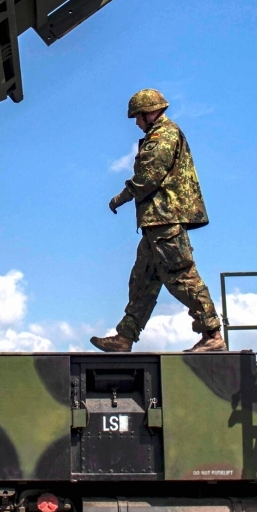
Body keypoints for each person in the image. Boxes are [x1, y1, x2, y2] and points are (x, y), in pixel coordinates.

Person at [90, 88, 226, 353]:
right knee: (143, 280)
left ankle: (212, 334)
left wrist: (121, 197)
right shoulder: (158, 134)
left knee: (182, 277)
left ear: (150, 112)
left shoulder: (163, 135)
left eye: (138, 117)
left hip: (165, 219)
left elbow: (148, 177)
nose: (137, 123)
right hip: (157, 222)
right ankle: (125, 337)